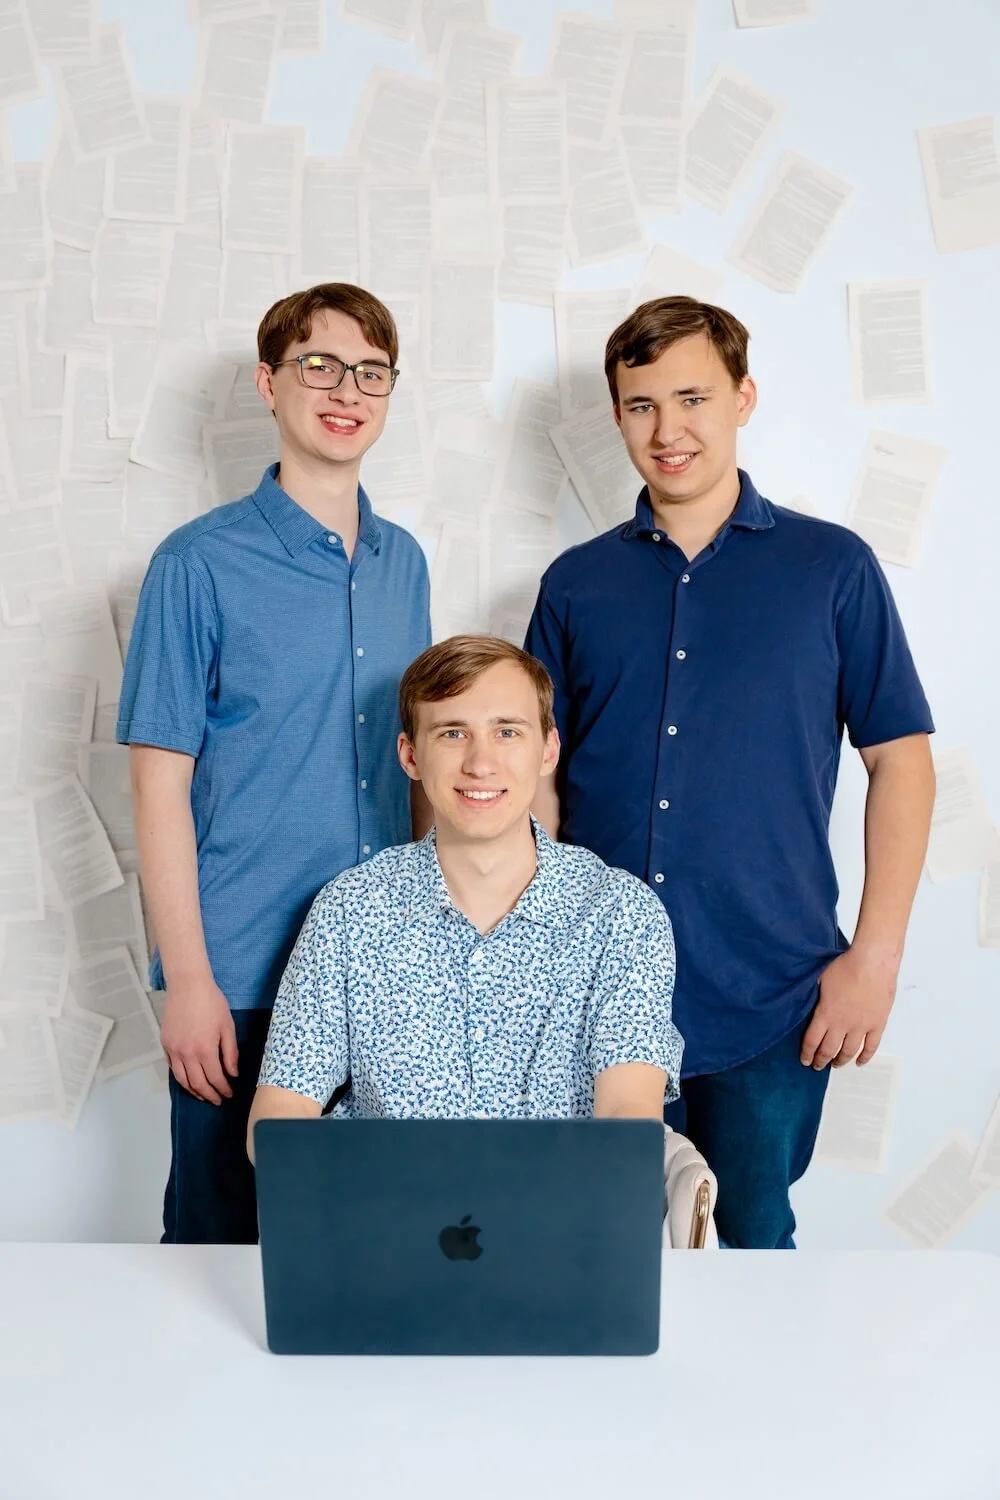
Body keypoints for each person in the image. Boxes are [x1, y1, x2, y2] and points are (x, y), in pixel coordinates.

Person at [523, 296, 936, 1249]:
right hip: (598, 990)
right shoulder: (576, 585)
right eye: (640, 405)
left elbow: (901, 763)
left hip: (773, 997)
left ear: (743, 398)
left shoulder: (832, 568)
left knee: (753, 1251)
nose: (668, 430)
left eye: (693, 398)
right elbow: (536, 781)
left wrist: (873, 959)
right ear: (617, 414)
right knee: (595, 1254)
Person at [117, 283, 432, 1244]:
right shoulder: (196, 564)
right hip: (242, 973)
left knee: (363, 1249)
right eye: (319, 365)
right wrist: (188, 984)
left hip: (379, 970)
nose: (346, 390)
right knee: (217, 1249)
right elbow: (157, 783)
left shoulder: (404, 563)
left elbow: (414, 770)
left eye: (370, 372)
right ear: (270, 382)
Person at [247, 635, 682, 1148]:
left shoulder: (622, 915)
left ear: (548, 749)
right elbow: (281, 1107)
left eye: (507, 732)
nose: (480, 763)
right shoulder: (349, 909)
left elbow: (628, 1113)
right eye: (453, 733)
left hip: (559, 1216)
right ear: (410, 755)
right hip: (379, 1214)